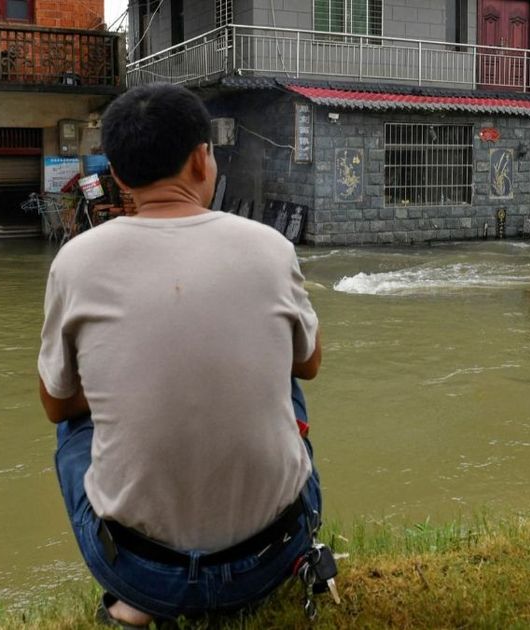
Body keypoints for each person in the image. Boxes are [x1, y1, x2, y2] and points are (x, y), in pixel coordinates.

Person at [37, 83, 325, 627]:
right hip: (270, 555)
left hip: (142, 573)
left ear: (119, 175)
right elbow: (308, 363)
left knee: (74, 430)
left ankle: (136, 604)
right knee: (286, 382)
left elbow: (56, 406)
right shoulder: (270, 247)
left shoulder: (75, 262)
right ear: (201, 160)